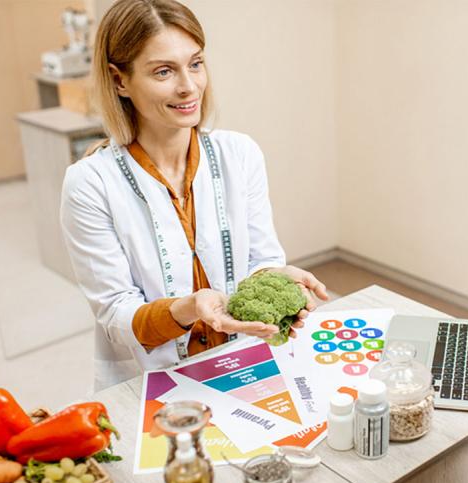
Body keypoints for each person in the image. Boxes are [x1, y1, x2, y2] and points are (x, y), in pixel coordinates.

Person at [60, 0, 328, 391]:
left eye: (196, 63)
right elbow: (116, 314)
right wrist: (188, 309)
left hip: (244, 362)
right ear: (119, 81)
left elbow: (261, 259)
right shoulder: (90, 184)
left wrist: (275, 280)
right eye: (164, 71)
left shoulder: (241, 154)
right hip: (153, 384)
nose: (189, 86)